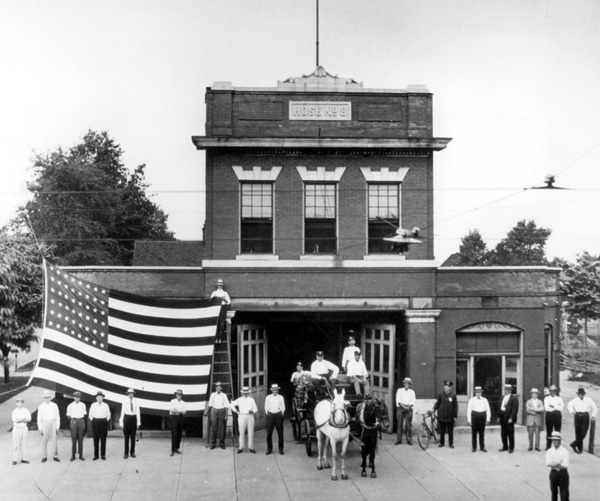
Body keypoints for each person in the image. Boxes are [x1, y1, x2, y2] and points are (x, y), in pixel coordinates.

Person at [567, 387, 597, 454]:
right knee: (578, 432)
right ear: (577, 394)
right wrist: (572, 411)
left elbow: (595, 407)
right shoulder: (575, 400)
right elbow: (569, 405)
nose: (581, 395)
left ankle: (573, 444)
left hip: (585, 416)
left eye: (582, 393)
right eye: (579, 393)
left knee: (583, 433)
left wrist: (593, 416)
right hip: (577, 416)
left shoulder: (588, 400)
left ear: (584, 394)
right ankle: (579, 449)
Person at [230, 386, 258, 454]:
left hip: (250, 416)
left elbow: (255, 409)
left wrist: (252, 411)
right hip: (242, 416)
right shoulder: (240, 399)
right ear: (242, 393)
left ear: (249, 393)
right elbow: (231, 404)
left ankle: (251, 448)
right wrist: (236, 411)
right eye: (244, 393)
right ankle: (241, 447)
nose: (245, 394)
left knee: (251, 432)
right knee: (241, 432)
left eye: (247, 393)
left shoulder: (251, 400)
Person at [433, 380, 458, 448]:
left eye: (449, 386)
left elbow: (455, 406)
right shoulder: (441, 395)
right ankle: (442, 443)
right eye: (446, 386)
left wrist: (455, 416)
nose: (447, 388)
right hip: (442, 416)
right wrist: (433, 409)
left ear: (451, 388)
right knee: (442, 431)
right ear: (444, 387)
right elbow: (437, 403)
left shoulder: (453, 395)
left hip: (450, 416)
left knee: (450, 431)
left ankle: (451, 444)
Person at [37, 389, 60, 463]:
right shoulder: (41, 406)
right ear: (43, 398)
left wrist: (57, 426)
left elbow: (57, 416)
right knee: (44, 440)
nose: (47, 399)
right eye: (45, 397)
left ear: (50, 397)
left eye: (48, 397)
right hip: (45, 423)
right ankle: (44, 456)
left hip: (53, 422)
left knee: (54, 440)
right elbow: (39, 418)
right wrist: (40, 428)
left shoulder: (54, 405)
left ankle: (55, 456)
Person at [545, 432, 569, 501]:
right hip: (553, 474)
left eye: (557, 440)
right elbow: (548, 464)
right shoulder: (549, 451)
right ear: (552, 441)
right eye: (554, 440)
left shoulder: (565, 451)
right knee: (554, 493)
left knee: (564, 494)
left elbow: (565, 466)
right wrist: (559, 463)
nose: (555, 442)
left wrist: (554, 465)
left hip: (563, 474)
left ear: (560, 441)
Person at [205, 381, 230, 450]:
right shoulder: (213, 395)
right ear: (215, 388)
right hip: (214, 411)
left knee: (222, 428)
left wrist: (226, 415)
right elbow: (210, 404)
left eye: (220, 387)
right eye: (217, 387)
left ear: (221, 388)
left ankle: (222, 443)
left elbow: (226, 405)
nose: (218, 388)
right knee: (213, 427)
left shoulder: (224, 395)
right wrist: (207, 412)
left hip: (222, 411)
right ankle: (213, 443)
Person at [467, 386, 491, 453]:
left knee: (482, 433)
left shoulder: (485, 400)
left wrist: (488, 419)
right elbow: (469, 410)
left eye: (480, 392)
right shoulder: (472, 400)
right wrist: (469, 420)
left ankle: (482, 447)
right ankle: (474, 447)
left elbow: (488, 410)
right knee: (474, 433)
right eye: (477, 392)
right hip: (474, 418)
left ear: (481, 392)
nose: (478, 393)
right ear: (475, 392)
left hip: (482, 418)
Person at [88, 390, 111, 460]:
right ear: (96, 398)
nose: (99, 398)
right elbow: (90, 415)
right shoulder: (93, 405)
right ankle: (96, 455)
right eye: (98, 397)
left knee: (103, 439)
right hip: (95, 422)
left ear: (102, 398)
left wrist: (105, 421)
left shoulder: (106, 405)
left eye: (101, 397)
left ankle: (103, 455)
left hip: (103, 422)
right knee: (96, 439)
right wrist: (94, 421)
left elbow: (108, 415)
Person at [119, 388, 141, 458]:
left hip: (133, 418)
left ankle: (132, 452)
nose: (131, 394)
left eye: (132, 393)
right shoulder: (125, 401)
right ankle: (126, 453)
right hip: (127, 418)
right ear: (127, 394)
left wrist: (138, 422)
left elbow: (138, 412)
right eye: (130, 393)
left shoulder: (136, 401)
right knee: (126, 437)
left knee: (133, 437)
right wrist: (121, 423)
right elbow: (122, 411)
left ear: (133, 394)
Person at [265, 383, 286, 455]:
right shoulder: (268, 397)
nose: (275, 391)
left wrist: (281, 414)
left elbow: (283, 406)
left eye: (276, 390)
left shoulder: (281, 397)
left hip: (278, 415)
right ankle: (269, 449)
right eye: (274, 390)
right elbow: (266, 406)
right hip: (270, 415)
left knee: (280, 433)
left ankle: (281, 449)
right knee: (269, 433)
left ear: (278, 390)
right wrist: (268, 414)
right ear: (272, 390)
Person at [66, 391, 87, 461]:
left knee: (81, 438)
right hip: (74, 421)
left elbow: (84, 414)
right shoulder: (70, 405)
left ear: (80, 398)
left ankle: (81, 454)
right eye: (76, 397)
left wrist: (79, 419)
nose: (77, 398)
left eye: (78, 397)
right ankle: (73, 455)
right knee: (74, 439)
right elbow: (68, 415)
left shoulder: (83, 405)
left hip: (81, 421)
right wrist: (74, 420)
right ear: (73, 397)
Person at [498, 384, 519, 453]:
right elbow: (500, 408)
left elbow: (514, 410)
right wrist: (499, 416)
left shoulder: (514, 398)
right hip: (502, 418)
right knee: (503, 433)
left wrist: (511, 418)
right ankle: (505, 446)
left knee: (510, 434)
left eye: (508, 390)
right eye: (506, 389)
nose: (507, 391)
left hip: (509, 418)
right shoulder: (502, 397)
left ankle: (511, 448)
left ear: (511, 390)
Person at [395, 377, 415, 445]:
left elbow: (413, 401)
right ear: (403, 384)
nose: (407, 385)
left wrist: (408, 407)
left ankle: (409, 439)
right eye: (406, 383)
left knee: (408, 425)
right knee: (399, 424)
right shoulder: (400, 390)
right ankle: (399, 439)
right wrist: (404, 407)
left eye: (408, 383)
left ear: (410, 384)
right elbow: (398, 400)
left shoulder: (412, 392)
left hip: (409, 409)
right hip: (400, 408)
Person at [11, 396, 31, 465]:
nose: (20, 404)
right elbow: (15, 420)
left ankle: (24, 459)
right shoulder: (14, 411)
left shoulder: (26, 410)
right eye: (18, 402)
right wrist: (23, 419)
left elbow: (29, 419)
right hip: (17, 428)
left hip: (24, 428)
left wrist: (20, 420)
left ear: (23, 403)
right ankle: (15, 459)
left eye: (21, 402)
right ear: (16, 403)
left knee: (24, 443)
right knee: (16, 444)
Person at [544, 385, 564, 450]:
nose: (553, 392)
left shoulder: (559, 399)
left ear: (556, 392)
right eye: (551, 391)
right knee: (549, 431)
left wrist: (553, 406)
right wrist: (556, 406)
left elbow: (561, 408)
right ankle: (548, 446)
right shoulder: (546, 398)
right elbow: (547, 408)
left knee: (557, 431)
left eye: (554, 391)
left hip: (557, 415)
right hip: (549, 415)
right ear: (549, 391)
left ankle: (557, 445)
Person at [169, 389, 187, 456]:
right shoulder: (172, 401)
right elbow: (171, 410)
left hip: (180, 418)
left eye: (180, 394)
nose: (179, 395)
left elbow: (184, 412)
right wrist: (180, 411)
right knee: (174, 434)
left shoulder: (183, 403)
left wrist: (176, 410)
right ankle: (172, 450)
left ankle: (177, 448)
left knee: (179, 434)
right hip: (174, 418)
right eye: (178, 394)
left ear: (181, 395)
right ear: (176, 395)